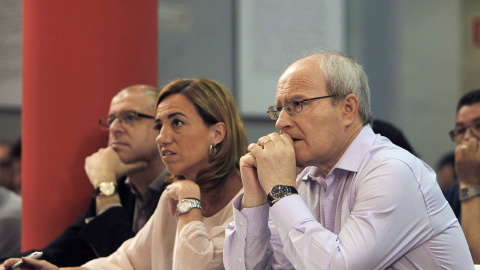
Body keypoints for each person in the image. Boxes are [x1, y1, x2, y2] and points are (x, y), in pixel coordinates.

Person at [223, 52, 474, 269]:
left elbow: (337, 266)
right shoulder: (304, 177)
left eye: (297, 104)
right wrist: (255, 199)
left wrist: (281, 190)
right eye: (278, 109)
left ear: (348, 109)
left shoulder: (393, 171)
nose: (281, 123)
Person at [3, 78, 248, 270]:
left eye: (177, 123)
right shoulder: (173, 194)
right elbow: (125, 261)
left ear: (217, 133)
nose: (161, 137)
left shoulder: (251, 198)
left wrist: (189, 201)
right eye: (158, 126)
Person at [1, 84, 168, 267]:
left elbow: (131, 264)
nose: (115, 128)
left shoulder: (180, 191)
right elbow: (57, 253)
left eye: (130, 117)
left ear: (161, 127)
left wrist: (105, 185)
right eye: (111, 120)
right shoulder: (120, 188)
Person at [445, 88, 480, 263]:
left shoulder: (465, 183)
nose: (468, 137)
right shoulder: (453, 192)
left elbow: (475, 261)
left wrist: (469, 183)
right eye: (460, 130)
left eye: (478, 126)